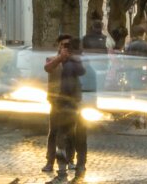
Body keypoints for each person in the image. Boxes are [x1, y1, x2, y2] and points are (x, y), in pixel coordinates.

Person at [44, 33, 88, 182]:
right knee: (54, 133)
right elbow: (48, 68)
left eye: (68, 45)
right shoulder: (52, 59)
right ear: (59, 46)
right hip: (55, 101)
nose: (65, 47)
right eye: (63, 45)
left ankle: (71, 161)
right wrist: (60, 58)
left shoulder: (75, 61)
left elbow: (83, 73)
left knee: (72, 135)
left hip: (71, 104)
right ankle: (50, 161)